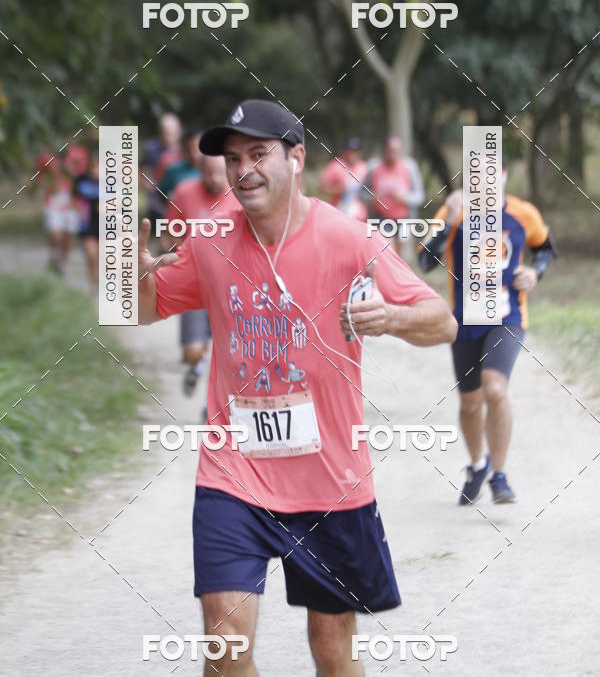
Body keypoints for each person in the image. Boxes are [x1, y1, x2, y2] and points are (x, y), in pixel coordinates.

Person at [137, 98, 457, 675]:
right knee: (225, 647)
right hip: (233, 472)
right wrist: (126, 273)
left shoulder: (349, 239)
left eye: (259, 154)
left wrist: (392, 317)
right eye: (233, 159)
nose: (243, 170)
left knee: (332, 646)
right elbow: (146, 307)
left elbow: (442, 320)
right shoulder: (210, 239)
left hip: (329, 481)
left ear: (297, 158)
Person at [418, 158, 557, 505]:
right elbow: (424, 261)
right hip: (464, 321)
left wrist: (535, 273)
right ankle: (477, 466)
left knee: (495, 389)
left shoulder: (524, 213)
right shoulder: (456, 213)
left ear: (506, 176)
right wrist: (448, 217)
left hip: (508, 317)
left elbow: (546, 247)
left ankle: (499, 474)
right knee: (469, 403)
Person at [162, 154, 240, 396]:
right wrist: (177, 254)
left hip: (229, 285)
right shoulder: (185, 192)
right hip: (193, 281)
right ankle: (197, 364)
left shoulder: (239, 195)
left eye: (220, 172)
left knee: (227, 351)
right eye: (209, 173)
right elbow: (169, 230)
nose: (215, 178)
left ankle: (213, 404)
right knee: (192, 351)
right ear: (200, 170)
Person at [361, 135, 425, 254]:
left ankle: (392, 271)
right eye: (390, 149)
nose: (393, 153)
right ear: (385, 149)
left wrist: (404, 198)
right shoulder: (373, 166)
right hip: (381, 217)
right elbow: (361, 193)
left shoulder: (410, 167)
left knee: (397, 254)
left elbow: (419, 196)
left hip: (405, 218)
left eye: (395, 150)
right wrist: (373, 197)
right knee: (388, 249)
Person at [37, 148, 81, 274]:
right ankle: (53, 257)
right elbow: (39, 176)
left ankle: (63, 263)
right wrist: (48, 185)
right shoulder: (46, 158)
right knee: (55, 234)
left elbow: (81, 177)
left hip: (71, 202)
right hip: (53, 201)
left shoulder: (75, 158)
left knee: (68, 236)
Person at [141, 112, 182, 232]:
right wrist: (147, 182)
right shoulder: (151, 148)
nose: (168, 136)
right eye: (165, 132)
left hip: (179, 201)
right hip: (157, 203)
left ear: (178, 131)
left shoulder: (186, 149)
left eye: (171, 132)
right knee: (159, 235)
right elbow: (141, 168)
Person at [319, 138, 367, 220]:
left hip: (359, 215)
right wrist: (340, 190)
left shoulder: (363, 166)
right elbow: (322, 188)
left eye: (355, 151)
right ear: (344, 151)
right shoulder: (334, 166)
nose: (352, 154)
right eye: (349, 151)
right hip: (339, 213)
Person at [74, 154, 100, 289]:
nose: (97, 171)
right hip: (89, 224)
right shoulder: (82, 182)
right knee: (92, 255)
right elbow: (76, 200)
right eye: (94, 167)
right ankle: (93, 284)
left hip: (108, 226)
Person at [158, 126, 203, 200]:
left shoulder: (212, 169)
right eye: (188, 149)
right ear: (183, 149)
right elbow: (160, 193)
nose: (192, 154)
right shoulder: (173, 171)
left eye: (196, 148)